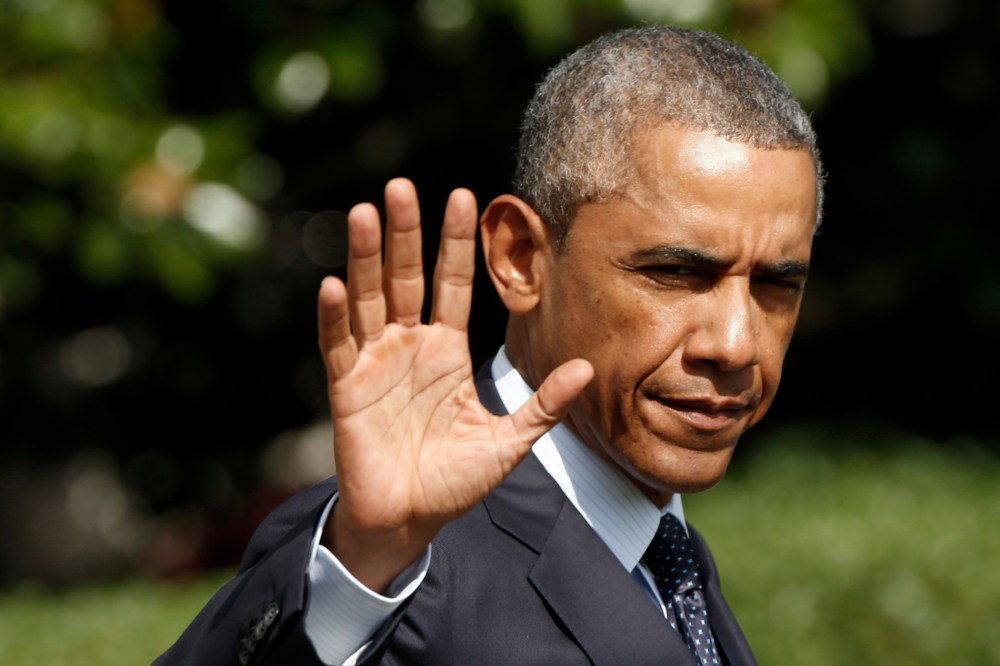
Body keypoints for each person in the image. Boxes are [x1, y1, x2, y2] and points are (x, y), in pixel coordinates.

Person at [156, 24, 822, 666]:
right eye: (676, 273)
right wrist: (359, 569)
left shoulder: (669, 558)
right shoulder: (392, 555)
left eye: (776, 284)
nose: (736, 344)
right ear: (522, 258)